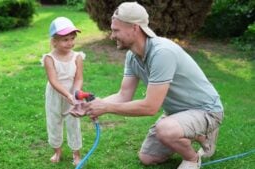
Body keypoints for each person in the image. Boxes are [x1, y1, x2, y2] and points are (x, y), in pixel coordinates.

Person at [79, 2, 223, 169]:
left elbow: (150, 107)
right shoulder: (132, 57)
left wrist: (106, 108)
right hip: (177, 113)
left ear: (134, 28)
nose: (112, 36)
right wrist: (91, 106)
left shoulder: (162, 53)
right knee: (147, 157)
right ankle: (200, 135)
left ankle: (192, 158)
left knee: (165, 130)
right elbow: (123, 96)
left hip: (206, 110)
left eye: (116, 30)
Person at [41, 16, 85, 166]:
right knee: (54, 122)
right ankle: (57, 151)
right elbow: (53, 81)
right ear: (54, 41)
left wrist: (75, 93)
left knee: (73, 122)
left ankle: (76, 153)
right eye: (65, 39)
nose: (70, 42)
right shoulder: (49, 58)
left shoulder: (77, 57)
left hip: (72, 94)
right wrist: (66, 94)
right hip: (55, 95)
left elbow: (78, 78)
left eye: (72, 38)